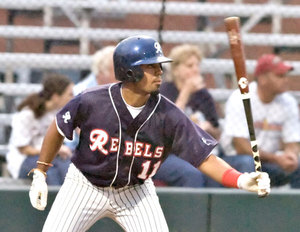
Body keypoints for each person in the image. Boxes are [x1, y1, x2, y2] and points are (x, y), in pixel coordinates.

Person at [28, 35, 270, 232]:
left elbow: (204, 157)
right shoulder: (93, 101)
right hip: (85, 186)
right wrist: (41, 171)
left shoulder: (168, 113)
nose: (160, 72)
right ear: (129, 72)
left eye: (159, 66)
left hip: (136, 192)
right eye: (151, 66)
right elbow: (58, 127)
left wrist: (239, 179)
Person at [153, 44, 254, 188]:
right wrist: (186, 92)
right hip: (170, 154)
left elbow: (217, 131)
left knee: (241, 164)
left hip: (201, 152)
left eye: (197, 65)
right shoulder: (164, 91)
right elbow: (166, 127)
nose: (195, 69)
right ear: (176, 70)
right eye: (189, 66)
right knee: (192, 173)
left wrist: (207, 129)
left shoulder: (203, 95)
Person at [220, 53, 300, 188]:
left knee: (297, 163)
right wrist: (276, 159)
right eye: (280, 76)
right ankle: (244, 208)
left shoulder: (288, 102)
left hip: (270, 161)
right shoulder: (241, 98)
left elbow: (292, 141)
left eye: (286, 76)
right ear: (262, 79)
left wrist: (290, 155)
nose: (286, 80)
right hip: (234, 160)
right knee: (247, 163)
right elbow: (241, 146)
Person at [6, 74, 74, 185]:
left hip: (51, 157)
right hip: (24, 160)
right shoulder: (27, 114)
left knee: (68, 168)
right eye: (69, 94)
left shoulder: (57, 113)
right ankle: (54, 202)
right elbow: (24, 149)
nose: (72, 98)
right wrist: (55, 150)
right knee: (49, 172)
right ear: (56, 96)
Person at [65, 46, 116, 151]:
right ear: (102, 71)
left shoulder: (118, 89)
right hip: (77, 150)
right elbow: (82, 131)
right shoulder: (81, 93)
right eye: (116, 69)